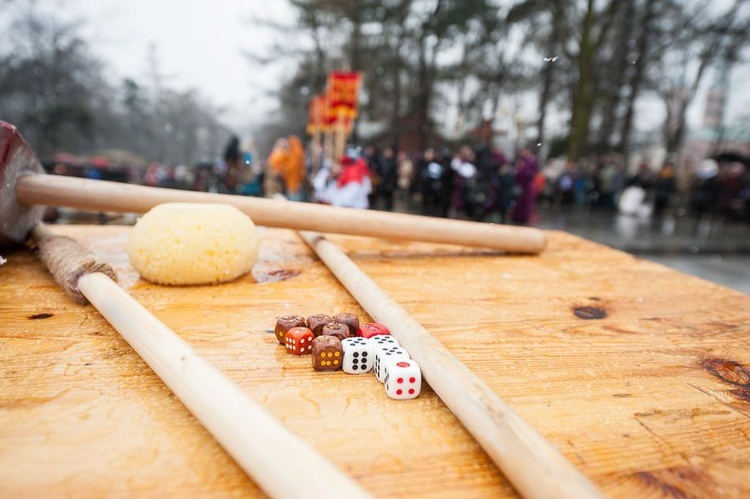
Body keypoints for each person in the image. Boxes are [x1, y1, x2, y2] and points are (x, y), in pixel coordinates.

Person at [510, 148, 539, 225]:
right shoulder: (524, 160)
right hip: (522, 186)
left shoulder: (531, 161)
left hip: (526, 187)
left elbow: (522, 172)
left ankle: (523, 219)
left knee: (525, 204)